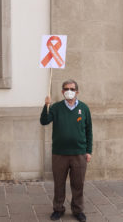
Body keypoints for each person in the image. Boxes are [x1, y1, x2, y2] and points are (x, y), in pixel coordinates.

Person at [40, 79, 93, 222]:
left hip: (79, 154)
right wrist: (46, 105)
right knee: (59, 183)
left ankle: (78, 210)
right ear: (63, 91)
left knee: (78, 184)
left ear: (77, 91)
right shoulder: (56, 107)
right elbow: (44, 121)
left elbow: (89, 131)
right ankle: (58, 209)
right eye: (66, 89)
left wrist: (89, 151)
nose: (69, 91)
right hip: (59, 154)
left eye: (72, 89)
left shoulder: (84, 108)